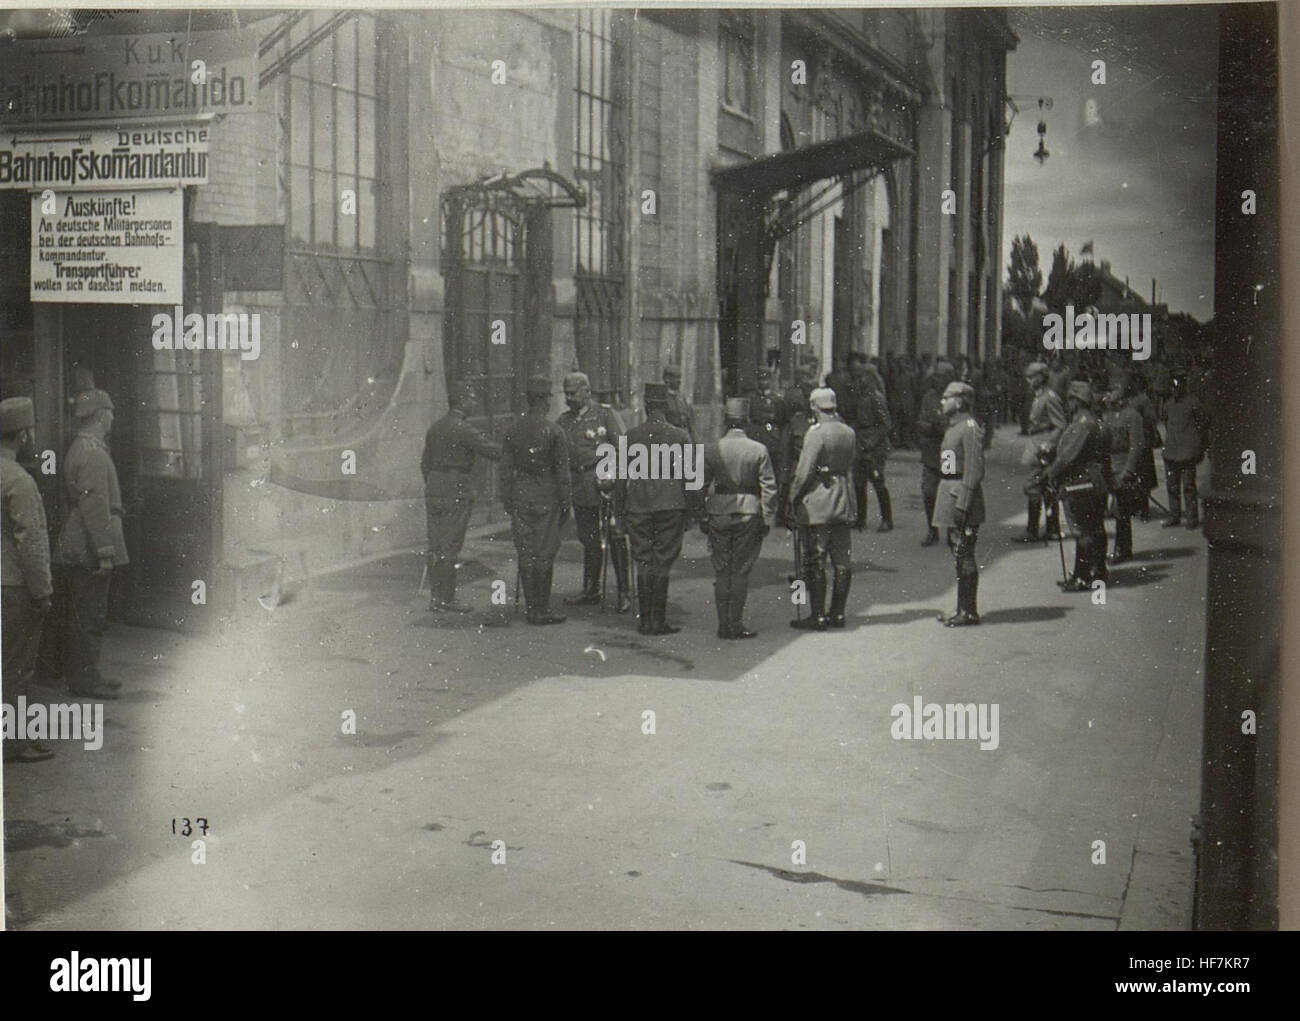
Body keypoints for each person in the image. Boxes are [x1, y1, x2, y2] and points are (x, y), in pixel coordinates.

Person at [52, 389, 127, 699]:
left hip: (79, 542)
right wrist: (105, 552)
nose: (112, 418)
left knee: (84, 614)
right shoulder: (93, 453)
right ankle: (85, 681)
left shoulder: (80, 448)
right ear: (99, 415)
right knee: (90, 616)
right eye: (109, 412)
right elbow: (95, 506)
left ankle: (86, 675)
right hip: (88, 545)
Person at [2, 397, 56, 762]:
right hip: (14, 585)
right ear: (22, 434)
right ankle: (15, 742)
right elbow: (31, 541)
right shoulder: (19, 480)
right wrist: (42, 590)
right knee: (18, 667)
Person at [419, 381, 502, 614]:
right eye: (472, 398)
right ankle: (446, 599)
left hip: (435, 487)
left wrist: (435, 483)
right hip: (456, 489)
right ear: (463, 400)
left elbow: (424, 464)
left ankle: (437, 598)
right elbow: (492, 451)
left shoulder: (435, 428)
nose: (475, 402)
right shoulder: (464, 429)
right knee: (450, 546)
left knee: (435, 545)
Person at [621, 383, 693, 635]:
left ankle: (644, 621)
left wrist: (621, 512)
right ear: (665, 406)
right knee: (662, 561)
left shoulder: (630, 436)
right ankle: (657, 621)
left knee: (643, 560)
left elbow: (621, 479)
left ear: (645, 406)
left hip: (638, 505)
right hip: (671, 505)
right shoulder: (680, 436)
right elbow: (690, 478)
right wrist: (691, 512)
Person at [703, 397, 777, 639]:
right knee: (741, 571)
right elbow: (769, 487)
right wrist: (767, 517)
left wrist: (701, 514)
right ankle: (735, 623)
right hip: (749, 512)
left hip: (719, 511)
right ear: (745, 421)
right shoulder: (758, 450)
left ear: (726, 421)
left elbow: (699, 485)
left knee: (722, 570)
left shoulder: (712, 448)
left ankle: (723, 624)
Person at [501, 377, 570, 625]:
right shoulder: (555, 432)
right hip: (546, 494)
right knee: (544, 551)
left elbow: (505, 470)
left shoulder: (512, 430)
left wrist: (507, 499)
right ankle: (541, 609)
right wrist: (566, 503)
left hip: (521, 493)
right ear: (544, 400)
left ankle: (532, 609)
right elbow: (563, 473)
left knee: (525, 551)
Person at [558, 371, 630, 610]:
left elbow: (623, 449)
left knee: (615, 537)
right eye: (566, 393)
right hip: (580, 485)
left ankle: (624, 593)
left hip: (604, 484)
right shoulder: (564, 421)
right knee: (588, 539)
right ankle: (591, 588)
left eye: (573, 393)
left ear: (587, 391)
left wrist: (612, 477)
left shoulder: (605, 415)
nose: (568, 398)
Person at [787, 387, 857, 630]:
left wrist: (793, 498)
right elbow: (849, 466)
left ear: (814, 407)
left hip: (819, 500)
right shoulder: (848, 432)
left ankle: (817, 616)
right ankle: (837, 613)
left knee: (816, 558)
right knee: (841, 560)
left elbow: (804, 472)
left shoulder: (815, 434)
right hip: (842, 498)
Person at [1042, 381, 1109, 591]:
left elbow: (1067, 457)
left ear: (1076, 401)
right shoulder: (1096, 421)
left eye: (1070, 399)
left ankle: (1082, 577)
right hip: (1095, 481)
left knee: (1083, 530)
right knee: (1095, 527)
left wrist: (1049, 474)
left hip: (1080, 483)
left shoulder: (1081, 424)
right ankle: (1098, 571)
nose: (1068, 404)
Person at [931, 381, 985, 626]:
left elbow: (973, 471)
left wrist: (962, 504)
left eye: (946, 397)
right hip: (952, 494)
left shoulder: (969, 428)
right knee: (959, 552)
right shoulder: (955, 427)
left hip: (962, 500)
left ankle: (968, 611)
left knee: (964, 553)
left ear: (960, 401)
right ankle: (962, 609)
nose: (942, 402)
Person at [1019, 361, 1067, 543]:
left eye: (1032, 377)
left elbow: (1061, 424)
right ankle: (1051, 529)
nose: (1029, 380)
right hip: (1037, 443)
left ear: (1042, 377)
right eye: (1028, 377)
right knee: (1045, 487)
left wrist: (1050, 443)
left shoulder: (1049, 397)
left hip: (1043, 447)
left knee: (1035, 486)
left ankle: (1033, 531)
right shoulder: (1038, 396)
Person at [1103, 378, 1148, 564]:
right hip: (1110, 468)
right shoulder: (1110, 415)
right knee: (1115, 511)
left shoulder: (1132, 416)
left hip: (1122, 469)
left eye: (1114, 389)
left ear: (1124, 394)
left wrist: (1128, 471)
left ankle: (1123, 550)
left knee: (1121, 512)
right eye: (1110, 389)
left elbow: (1137, 446)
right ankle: (1120, 549)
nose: (1110, 393)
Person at [849, 354, 892, 531]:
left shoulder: (876, 397)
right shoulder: (860, 396)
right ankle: (861, 519)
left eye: (863, 376)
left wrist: (872, 442)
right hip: (860, 442)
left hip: (876, 446)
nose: (860, 380)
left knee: (878, 481)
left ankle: (887, 519)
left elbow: (886, 424)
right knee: (858, 482)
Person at [1161, 372, 1209, 529]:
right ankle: (1174, 516)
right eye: (1173, 388)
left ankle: (1191, 519)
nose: (1175, 391)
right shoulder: (1167, 405)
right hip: (1171, 451)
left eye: (1178, 387)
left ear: (1184, 387)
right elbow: (1166, 423)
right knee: (1172, 486)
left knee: (1188, 487)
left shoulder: (1193, 403)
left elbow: (1203, 423)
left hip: (1187, 452)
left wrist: (1198, 443)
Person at [917, 359, 956, 546]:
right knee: (928, 491)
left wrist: (943, 428)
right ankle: (932, 530)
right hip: (931, 452)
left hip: (949, 452)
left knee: (949, 491)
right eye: (936, 376)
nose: (936, 380)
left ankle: (951, 530)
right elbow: (921, 420)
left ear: (949, 377)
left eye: (940, 376)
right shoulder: (929, 396)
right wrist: (930, 427)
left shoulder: (957, 396)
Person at [778, 358, 819, 527]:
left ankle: (783, 514)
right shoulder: (796, 394)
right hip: (796, 431)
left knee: (788, 476)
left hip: (793, 431)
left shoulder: (789, 392)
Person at [746, 366, 787, 482]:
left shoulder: (777, 399)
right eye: (760, 379)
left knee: (773, 470)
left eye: (765, 379)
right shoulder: (752, 398)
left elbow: (782, 420)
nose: (762, 382)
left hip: (772, 439)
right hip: (756, 436)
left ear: (770, 380)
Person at [661, 363, 695, 442]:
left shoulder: (682, 398)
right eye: (676, 377)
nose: (679, 381)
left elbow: (690, 424)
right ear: (667, 379)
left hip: (683, 438)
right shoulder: (662, 398)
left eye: (680, 377)